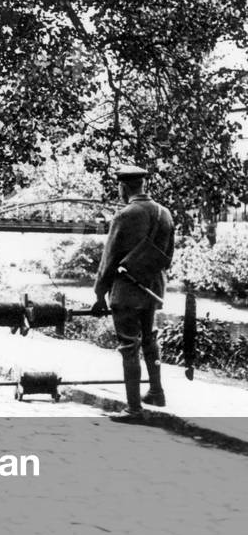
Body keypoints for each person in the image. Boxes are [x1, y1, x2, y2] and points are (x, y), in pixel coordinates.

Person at [93, 165, 175, 422]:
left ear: (124, 187)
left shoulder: (125, 215)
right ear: (143, 185)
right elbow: (168, 257)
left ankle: (133, 409)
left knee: (129, 345)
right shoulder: (165, 213)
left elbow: (109, 260)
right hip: (153, 289)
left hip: (127, 290)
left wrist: (99, 294)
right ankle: (157, 392)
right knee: (150, 339)